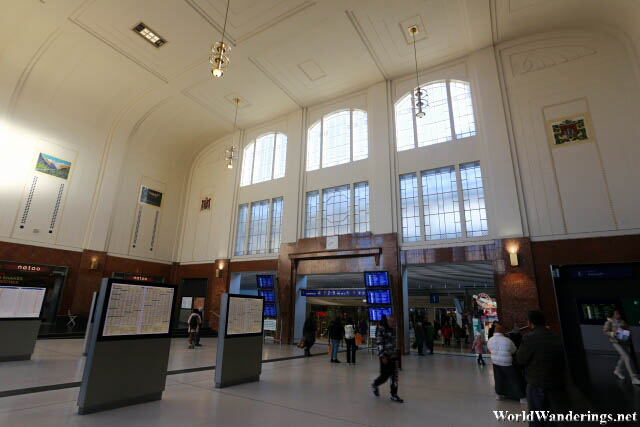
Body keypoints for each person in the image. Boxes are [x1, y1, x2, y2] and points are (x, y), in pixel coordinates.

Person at [516, 310, 565, 426]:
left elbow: (520, 359)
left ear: (530, 322)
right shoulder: (555, 336)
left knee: (535, 415)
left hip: (536, 381)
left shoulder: (528, 338)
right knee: (551, 414)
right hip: (555, 381)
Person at [487, 324, 527, 404]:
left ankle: (498, 394)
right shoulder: (507, 340)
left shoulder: (490, 340)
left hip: (495, 362)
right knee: (514, 379)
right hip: (507, 363)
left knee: (498, 378)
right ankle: (521, 397)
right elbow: (514, 350)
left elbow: (489, 348)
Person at [603, 310, 640, 385]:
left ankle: (617, 370)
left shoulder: (622, 321)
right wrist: (613, 333)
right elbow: (605, 331)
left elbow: (628, 330)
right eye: (616, 313)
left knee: (623, 357)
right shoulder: (609, 321)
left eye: (618, 313)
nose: (618, 314)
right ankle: (633, 378)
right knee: (626, 357)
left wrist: (628, 333)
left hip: (623, 341)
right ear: (613, 314)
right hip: (615, 342)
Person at [371, 315, 403, 402]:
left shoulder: (393, 329)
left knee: (395, 376)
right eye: (392, 322)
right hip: (385, 356)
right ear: (388, 321)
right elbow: (379, 342)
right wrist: (382, 356)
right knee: (384, 376)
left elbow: (393, 342)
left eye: (395, 322)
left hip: (393, 356)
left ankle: (394, 394)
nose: (394, 324)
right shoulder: (381, 329)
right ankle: (375, 384)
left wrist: (396, 353)